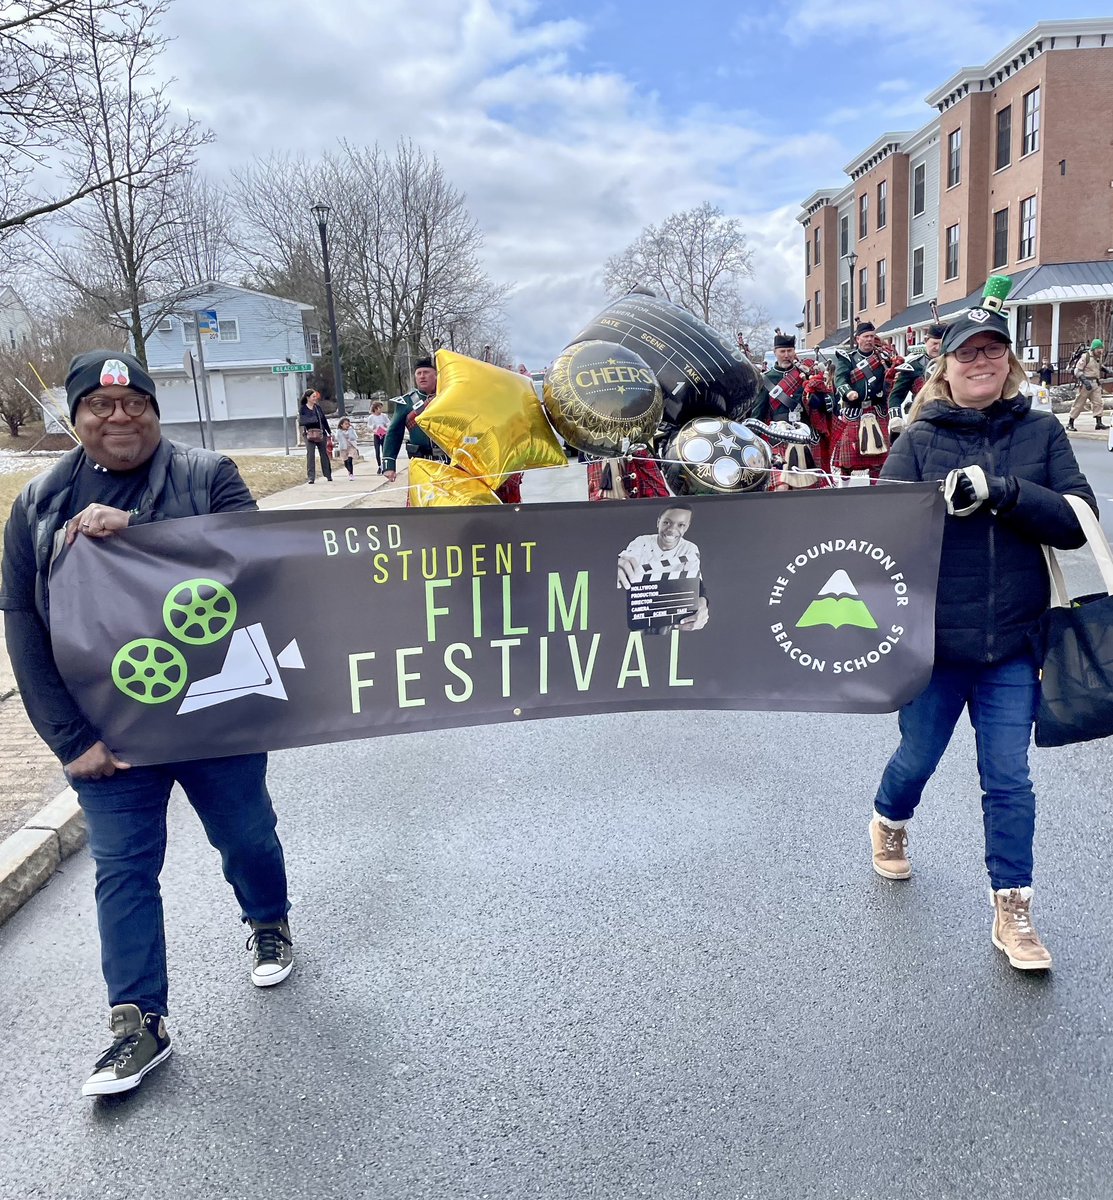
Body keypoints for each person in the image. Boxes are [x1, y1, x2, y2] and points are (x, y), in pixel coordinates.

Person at [0, 350, 293, 1097]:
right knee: (124, 870)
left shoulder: (208, 474)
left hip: (214, 714)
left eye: (135, 403)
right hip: (112, 732)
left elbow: (258, 565)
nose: (119, 416)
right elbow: (24, 627)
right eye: (100, 406)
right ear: (75, 418)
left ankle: (266, 919)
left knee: (246, 837)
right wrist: (71, 742)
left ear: (156, 412)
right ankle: (138, 1024)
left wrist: (141, 532)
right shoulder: (36, 504)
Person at [871, 280, 1096, 972]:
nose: (981, 362)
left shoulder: (1040, 432)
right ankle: (888, 820)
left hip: (1013, 643)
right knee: (917, 759)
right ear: (945, 366)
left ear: (1009, 363)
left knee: (1007, 778)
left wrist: (1004, 492)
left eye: (992, 351)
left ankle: (1012, 906)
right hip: (935, 644)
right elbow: (877, 535)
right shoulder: (918, 438)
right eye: (968, 353)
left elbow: (1076, 523)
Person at [750, 334, 826, 490]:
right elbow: (758, 412)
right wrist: (753, 442)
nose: (786, 355)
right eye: (782, 351)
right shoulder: (766, 379)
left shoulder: (804, 375)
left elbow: (819, 406)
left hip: (802, 435)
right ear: (775, 352)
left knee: (804, 487)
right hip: (777, 438)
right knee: (781, 487)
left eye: (790, 351)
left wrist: (813, 387)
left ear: (794, 351)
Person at [617, 505, 709, 632]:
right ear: (658, 522)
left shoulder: (690, 549)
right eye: (666, 522)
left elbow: (697, 585)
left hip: (668, 615)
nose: (671, 530)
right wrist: (621, 565)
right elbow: (626, 559)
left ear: (687, 527)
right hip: (639, 609)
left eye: (681, 525)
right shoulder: (642, 542)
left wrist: (702, 604)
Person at [833, 321, 891, 482]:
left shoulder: (882, 357)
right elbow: (840, 379)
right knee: (847, 460)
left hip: (876, 411)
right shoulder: (847, 359)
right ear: (857, 339)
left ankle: (876, 491)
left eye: (872, 336)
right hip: (854, 411)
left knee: (878, 459)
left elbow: (891, 378)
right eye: (865, 336)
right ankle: (843, 490)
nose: (869, 340)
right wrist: (848, 392)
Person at [382, 358, 445, 483]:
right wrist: (389, 465)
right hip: (420, 463)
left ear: (436, 375)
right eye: (419, 373)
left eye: (426, 372)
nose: (422, 376)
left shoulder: (448, 396)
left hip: (449, 462)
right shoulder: (406, 402)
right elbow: (394, 433)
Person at [887, 323, 945, 432]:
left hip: (949, 416)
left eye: (941, 344)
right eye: (934, 343)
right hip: (921, 416)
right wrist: (895, 416)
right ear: (926, 341)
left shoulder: (953, 364)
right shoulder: (913, 366)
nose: (937, 348)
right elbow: (896, 395)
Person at [1066, 339, 1108, 432]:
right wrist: (1084, 381)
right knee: (1079, 404)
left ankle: (1099, 422)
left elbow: (1099, 366)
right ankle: (1070, 422)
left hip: (1095, 383)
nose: (1100, 352)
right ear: (1094, 348)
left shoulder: (1097, 357)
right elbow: (1077, 370)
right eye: (1099, 349)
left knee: (1098, 403)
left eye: (1101, 349)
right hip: (1085, 383)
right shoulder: (1086, 357)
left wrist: (1106, 370)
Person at [299, 388, 332, 483]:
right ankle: (311, 477)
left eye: (315, 396)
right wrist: (313, 419)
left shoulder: (318, 408)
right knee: (310, 454)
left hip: (321, 433)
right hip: (308, 434)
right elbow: (302, 421)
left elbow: (323, 420)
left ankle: (328, 475)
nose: (315, 398)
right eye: (313, 396)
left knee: (324, 454)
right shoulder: (303, 408)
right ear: (308, 398)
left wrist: (329, 432)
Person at [334, 416, 359, 481]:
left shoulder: (351, 430)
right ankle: (349, 470)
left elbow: (354, 437)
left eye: (348, 423)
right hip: (343, 448)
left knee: (350, 459)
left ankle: (351, 474)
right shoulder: (339, 431)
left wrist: (351, 430)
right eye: (345, 424)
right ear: (341, 425)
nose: (347, 425)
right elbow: (337, 439)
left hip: (351, 446)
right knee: (345, 461)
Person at [367, 400, 389, 473]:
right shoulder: (371, 417)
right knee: (377, 451)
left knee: (384, 451)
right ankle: (379, 466)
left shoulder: (384, 416)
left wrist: (386, 426)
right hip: (376, 435)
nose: (381, 410)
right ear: (375, 408)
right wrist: (373, 427)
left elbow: (388, 423)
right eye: (379, 408)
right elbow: (369, 426)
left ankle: (384, 466)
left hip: (383, 434)